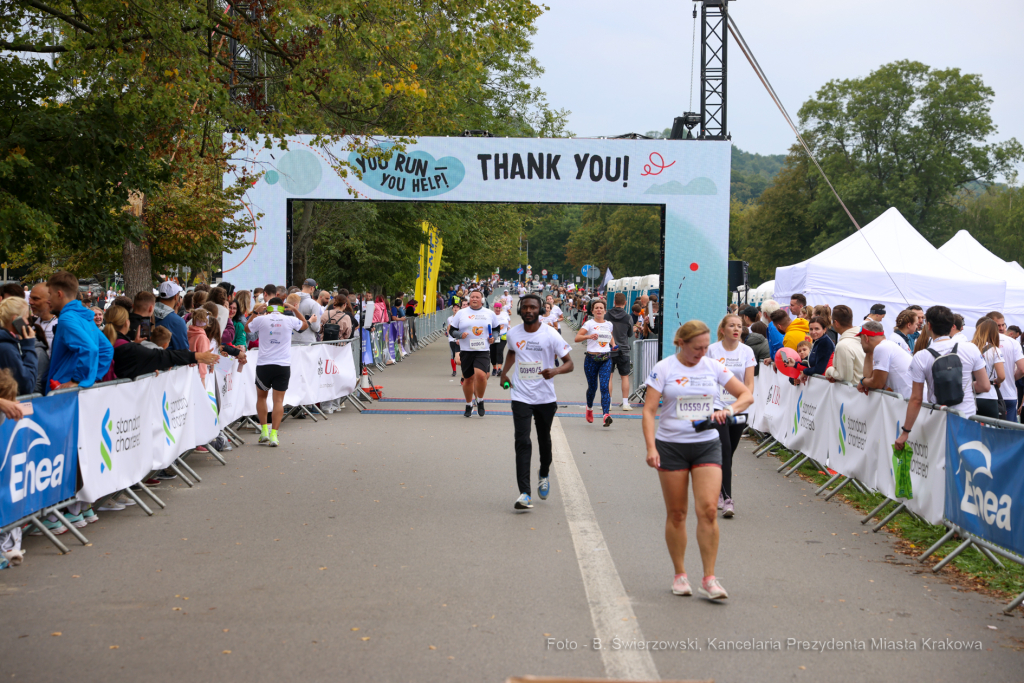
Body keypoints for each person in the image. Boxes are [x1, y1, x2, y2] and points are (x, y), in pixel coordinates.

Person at [642, 321, 753, 600]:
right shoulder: (664, 368)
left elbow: (746, 395)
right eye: (697, 348)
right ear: (681, 343)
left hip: (706, 445)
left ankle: (709, 578)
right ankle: (680, 575)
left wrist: (728, 410)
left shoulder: (713, 366)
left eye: (705, 347)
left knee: (709, 510)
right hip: (671, 446)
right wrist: (651, 447)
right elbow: (649, 410)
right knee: (677, 513)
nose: (702, 353)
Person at [499, 293, 574, 510]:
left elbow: (570, 363)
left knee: (544, 440)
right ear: (519, 310)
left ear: (540, 310)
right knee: (522, 441)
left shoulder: (551, 334)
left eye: (533, 307)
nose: (529, 311)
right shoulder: (513, 333)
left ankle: (544, 472)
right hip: (520, 395)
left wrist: (555, 370)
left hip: (545, 397)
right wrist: (504, 373)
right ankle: (525, 493)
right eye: (525, 307)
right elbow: (512, 352)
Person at [897, 306, 989, 451]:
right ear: (952, 326)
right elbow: (985, 386)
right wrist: (963, 385)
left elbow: (916, 399)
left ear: (929, 326)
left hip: (939, 421)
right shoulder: (970, 349)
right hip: (967, 419)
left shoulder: (921, 357)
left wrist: (905, 432)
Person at [707, 314, 755, 518]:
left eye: (739, 326)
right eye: (732, 326)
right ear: (722, 329)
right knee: (725, 450)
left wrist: (744, 400)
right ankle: (728, 499)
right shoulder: (712, 350)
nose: (736, 329)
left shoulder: (747, 351)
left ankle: (719, 488)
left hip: (738, 407)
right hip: (717, 406)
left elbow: (749, 382)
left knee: (729, 452)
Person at [244, 297, 309, 446]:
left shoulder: (261, 319)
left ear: (268, 307)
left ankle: (264, 431)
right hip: (282, 365)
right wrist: (294, 309)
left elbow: (247, 329)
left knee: (261, 398)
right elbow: (305, 325)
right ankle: (274, 435)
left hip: (264, 364)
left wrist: (255, 312)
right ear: (282, 307)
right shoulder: (289, 319)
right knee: (278, 401)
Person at [102, 305, 220, 380]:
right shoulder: (129, 348)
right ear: (126, 323)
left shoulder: (103, 341)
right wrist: (197, 356)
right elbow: (161, 355)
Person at [45, 271, 113, 392]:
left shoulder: (67, 318)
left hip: (62, 391)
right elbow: (107, 349)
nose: (48, 299)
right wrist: (90, 379)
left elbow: (90, 349)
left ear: (59, 294)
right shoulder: (84, 316)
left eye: (50, 294)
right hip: (73, 391)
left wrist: (77, 380)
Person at [448, 291, 499, 417]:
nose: (474, 299)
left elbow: (496, 329)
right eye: (472, 297)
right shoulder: (461, 313)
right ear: (469, 299)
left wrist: (494, 337)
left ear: (482, 299)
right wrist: (460, 335)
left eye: (477, 297)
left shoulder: (489, 313)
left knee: (481, 376)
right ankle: (469, 404)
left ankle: (480, 400)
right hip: (466, 350)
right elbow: (452, 330)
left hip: (483, 350)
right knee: (468, 379)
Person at [575, 300, 615, 427]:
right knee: (593, 388)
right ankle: (589, 408)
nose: (599, 310)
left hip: (605, 359)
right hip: (591, 360)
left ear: (605, 311)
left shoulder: (609, 324)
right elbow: (577, 338)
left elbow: (610, 336)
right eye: (596, 308)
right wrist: (588, 336)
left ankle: (606, 415)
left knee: (604, 387)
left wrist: (614, 345)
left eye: (601, 308)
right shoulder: (589, 324)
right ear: (592, 311)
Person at [856, 321, 913, 399]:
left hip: (912, 400)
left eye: (860, 339)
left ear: (866, 338)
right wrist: (869, 353)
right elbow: (868, 378)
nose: (860, 343)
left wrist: (863, 381)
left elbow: (877, 383)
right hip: (909, 399)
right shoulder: (885, 345)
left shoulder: (882, 347)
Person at [985, 311, 1024, 422]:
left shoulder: (981, 342)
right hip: (1007, 395)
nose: (1001, 328)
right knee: (1008, 430)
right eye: (998, 325)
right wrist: (1011, 378)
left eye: (1003, 325)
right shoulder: (1013, 342)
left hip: (989, 395)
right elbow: (1022, 369)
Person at [0, 296, 39, 395]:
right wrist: (29, 346)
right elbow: (27, 386)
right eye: (26, 318)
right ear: (16, 320)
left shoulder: (7, 343)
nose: (27, 323)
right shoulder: (6, 348)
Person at [969, 318, 1006, 419]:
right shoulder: (994, 350)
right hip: (988, 395)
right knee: (991, 427)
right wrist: (996, 381)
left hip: (970, 394)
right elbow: (1002, 376)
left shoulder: (969, 347)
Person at [606, 292, 634, 411]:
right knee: (625, 377)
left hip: (609, 349)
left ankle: (608, 403)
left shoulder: (607, 316)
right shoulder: (628, 317)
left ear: (614, 302)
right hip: (624, 350)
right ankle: (625, 403)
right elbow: (630, 334)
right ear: (625, 303)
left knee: (609, 377)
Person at [824, 305, 865, 384]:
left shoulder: (843, 345)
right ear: (851, 320)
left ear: (836, 323)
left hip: (853, 389)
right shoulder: (864, 338)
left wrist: (829, 370)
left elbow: (844, 377)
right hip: (862, 388)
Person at [154, 281, 188, 351]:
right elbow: (183, 351)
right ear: (176, 297)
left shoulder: (148, 313)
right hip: (166, 357)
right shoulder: (177, 322)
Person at [29, 283, 57, 354]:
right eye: (30, 298)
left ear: (50, 300)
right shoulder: (33, 324)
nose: (30, 302)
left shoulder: (60, 324)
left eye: (35, 299)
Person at [490, 301, 510, 377]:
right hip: (492, 336)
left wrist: (509, 329)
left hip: (503, 336)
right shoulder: (491, 314)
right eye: (496, 308)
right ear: (494, 308)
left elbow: (508, 322)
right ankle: (494, 368)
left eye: (499, 308)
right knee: (493, 352)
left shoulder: (504, 314)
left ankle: (499, 369)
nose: (498, 309)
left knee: (499, 351)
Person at [445, 301, 462, 377]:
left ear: (459, 309)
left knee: (461, 355)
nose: (455, 309)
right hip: (451, 339)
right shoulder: (449, 318)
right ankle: (454, 371)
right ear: (452, 309)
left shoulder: (462, 317)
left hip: (460, 339)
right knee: (453, 355)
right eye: (454, 307)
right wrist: (447, 332)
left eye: (457, 307)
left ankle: (464, 370)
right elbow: (449, 327)